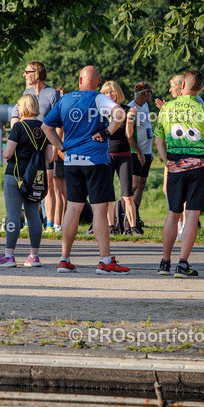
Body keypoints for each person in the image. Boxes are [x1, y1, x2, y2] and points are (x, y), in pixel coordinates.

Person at [42, 66, 130, 274]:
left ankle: (64, 259)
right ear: (97, 81)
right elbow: (119, 113)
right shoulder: (98, 99)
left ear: (79, 78)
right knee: (99, 209)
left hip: (72, 160)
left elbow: (46, 127)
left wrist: (61, 147)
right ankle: (105, 260)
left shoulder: (65, 100)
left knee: (73, 208)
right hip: (96, 160)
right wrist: (107, 132)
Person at [155, 69, 204, 278]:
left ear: (182, 85)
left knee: (172, 214)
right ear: (199, 88)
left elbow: (158, 140)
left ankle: (164, 263)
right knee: (192, 215)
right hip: (200, 166)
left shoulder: (166, 108)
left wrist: (167, 161)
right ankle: (182, 264)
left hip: (175, 165)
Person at [0, 94, 46, 267]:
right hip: (35, 178)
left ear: (23, 107)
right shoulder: (45, 127)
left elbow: (8, 154)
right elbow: (51, 156)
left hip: (15, 174)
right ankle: (34, 256)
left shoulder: (18, 127)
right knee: (33, 215)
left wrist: (6, 153)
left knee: (14, 215)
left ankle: (9, 256)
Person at [13, 61, 61, 230]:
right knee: (27, 183)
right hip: (28, 146)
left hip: (46, 144)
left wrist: (56, 145)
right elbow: (18, 117)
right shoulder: (26, 93)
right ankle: (28, 223)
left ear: (37, 73)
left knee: (48, 185)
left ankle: (51, 224)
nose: (24, 75)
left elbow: (59, 122)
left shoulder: (52, 93)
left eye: (27, 72)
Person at [100, 81, 140, 236]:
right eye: (105, 93)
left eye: (112, 92)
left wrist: (129, 118)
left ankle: (133, 227)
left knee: (127, 195)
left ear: (118, 93)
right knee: (108, 195)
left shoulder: (127, 110)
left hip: (123, 155)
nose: (109, 95)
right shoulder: (100, 111)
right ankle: (111, 227)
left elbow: (129, 135)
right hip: (105, 156)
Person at [128, 81, 154, 229]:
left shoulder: (146, 105)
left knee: (142, 184)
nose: (151, 94)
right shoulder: (132, 108)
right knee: (133, 184)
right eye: (150, 92)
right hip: (136, 152)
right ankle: (123, 212)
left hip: (147, 151)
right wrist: (138, 152)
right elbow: (129, 135)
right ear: (143, 93)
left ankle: (135, 214)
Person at [48, 88, 67, 234]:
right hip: (65, 153)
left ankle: (56, 223)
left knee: (56, 191)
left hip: (57, 153)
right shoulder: (67, 115)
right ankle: (63, 222)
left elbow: (57, 136)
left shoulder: (58, 117)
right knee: (64, 192)